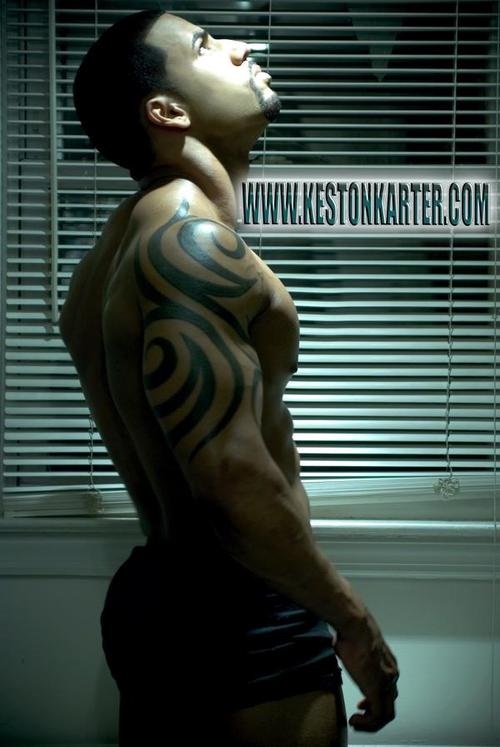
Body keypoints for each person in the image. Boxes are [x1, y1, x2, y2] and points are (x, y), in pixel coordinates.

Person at [60, 9, 399, 746]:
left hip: (161, 593)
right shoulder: (188, 244)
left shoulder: (114, 247)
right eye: (206, 45)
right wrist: (353, 620)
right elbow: (232, 476)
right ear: (167, 111)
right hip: (237, 609)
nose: (245, 46)